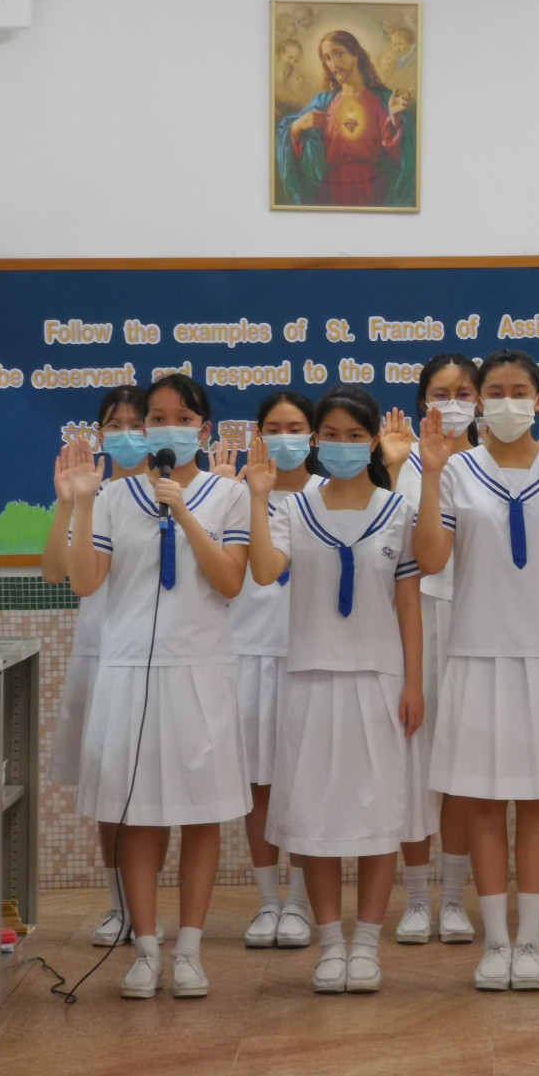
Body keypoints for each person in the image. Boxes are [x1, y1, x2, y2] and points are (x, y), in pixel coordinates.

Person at [414, 349, 539, 992]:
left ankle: (531, 942)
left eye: (518, 391)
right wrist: (431, 477)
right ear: (476, 402)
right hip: (475, 655)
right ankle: (495, 941)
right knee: (484, 805)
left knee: (538, 803)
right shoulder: (456, 470)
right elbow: (430, 560)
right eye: (493, 392)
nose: (505, 402)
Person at [62, 373, 253, 1000]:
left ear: (203, 428)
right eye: (156, 418)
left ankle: (190, 951)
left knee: (202, 816)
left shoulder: (229, 495)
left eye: (181, 418)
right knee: (137, 816)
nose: (167, 428)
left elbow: (231, 582)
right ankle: (145, 949)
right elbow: (85, 582)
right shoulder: (114, 498)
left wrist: (184, 512)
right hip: (128, 672)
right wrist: (83, 503)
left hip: (199, 670)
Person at [247, 384, 424, 994]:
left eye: (355, 435)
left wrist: (414, 682)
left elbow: (408, 603)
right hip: (311, 678)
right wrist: (258, 498)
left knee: (379, 818)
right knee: (313, 819)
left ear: (372, 442)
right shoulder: (292, 509)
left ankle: (367, 944)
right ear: (315, 441)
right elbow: (265, 571)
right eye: (330, 435)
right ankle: (329, 944)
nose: (342, 445)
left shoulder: (397, 509)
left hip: (379, 680)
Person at [41, 386, 161, 948]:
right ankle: (119, 908)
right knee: (108, 789)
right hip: (99, 654)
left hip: (152, 661)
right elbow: (53, 572)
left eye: (139, 424)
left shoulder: (172, 496)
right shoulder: (95, 496)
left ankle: (150, 911)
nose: (128, 434)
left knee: (156, 791)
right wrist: (68, 503)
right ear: (100, 435)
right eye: (116, 425)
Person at [386, 354, 480, 945]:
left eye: (464, 393)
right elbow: (403, 564)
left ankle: (454, 899)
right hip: (419, 623)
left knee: (464, 768)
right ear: (423, 402)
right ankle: (418, 897)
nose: (452, 404)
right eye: (441, 393)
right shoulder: (409, 467)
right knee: (416, 765)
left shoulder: (492, 464)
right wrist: (399, 466)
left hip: (475, 624)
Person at [227, 391, 323, 951]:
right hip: (249, 651)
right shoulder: (237, 497)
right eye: (274, 428)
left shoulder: (329, 493)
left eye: (295, 427)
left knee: (305, 783)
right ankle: (268, 901)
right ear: (258, 435)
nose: (285, 438)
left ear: (313, 435)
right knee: (259, 784)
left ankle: (301, 902)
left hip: (309, 655)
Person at [276, 30, 415, 208]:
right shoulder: (323, 102)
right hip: (330, 192)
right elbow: (293, 150)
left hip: (371, 190)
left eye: (338, 54)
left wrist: (395, 117)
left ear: (355, 55)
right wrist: (297, 126)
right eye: (327, 58)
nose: (333, 63)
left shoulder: (382, 99)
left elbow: (402, 154)